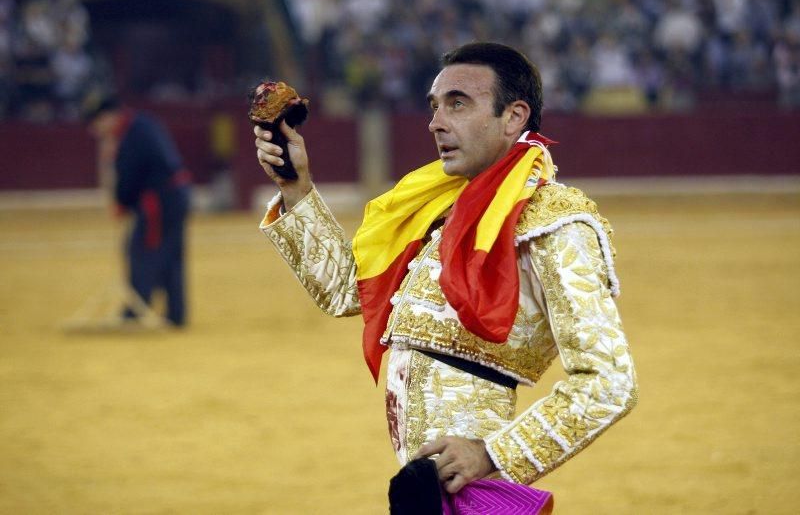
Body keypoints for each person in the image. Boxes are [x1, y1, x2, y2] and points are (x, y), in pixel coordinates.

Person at [255, 42, 637, 496]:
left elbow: (609, 382)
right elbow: (346, 291)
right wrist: (296, 187)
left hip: (472, 487)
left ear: (513, 117)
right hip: (428, 485)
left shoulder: (554, 221)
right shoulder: (444, 204)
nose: (436, 122)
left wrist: (493, 454)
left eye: (458, 104)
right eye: (434, 106)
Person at [83, 91, 191, 327]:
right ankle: (175, 313)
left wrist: (122, 202)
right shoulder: (140, 125)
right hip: (172, 195)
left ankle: (136, 310)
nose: (95, 129)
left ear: (108, 116)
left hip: (159, 200)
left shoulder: (131, 134)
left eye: (96, 122)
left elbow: (132, 175)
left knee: (142, 250)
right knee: (169, 253)